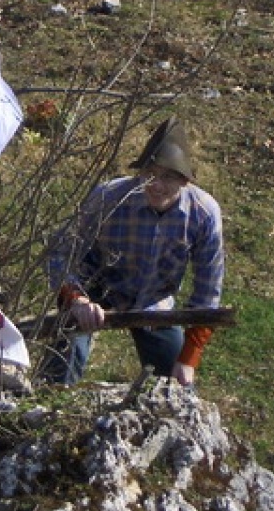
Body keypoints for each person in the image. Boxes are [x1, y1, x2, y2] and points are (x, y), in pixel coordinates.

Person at [42, 118, 225, 386]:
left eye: (168, 177)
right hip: (94, 290)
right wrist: (75, 298)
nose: (156, 185)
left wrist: (189, 358)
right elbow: (59, 251)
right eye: (149, 174)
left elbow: (207, 293)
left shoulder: (204, 214)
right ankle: (48, 404)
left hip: (154, 301)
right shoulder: (109, 197)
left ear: (185, 181)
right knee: (61, 366)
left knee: (176, 389)